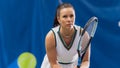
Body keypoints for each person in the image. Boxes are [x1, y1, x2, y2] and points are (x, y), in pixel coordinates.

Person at [41, 3, 90, 68]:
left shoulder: (84, 35)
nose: (69, 20)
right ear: (58, 19)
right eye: (65, 16)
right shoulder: (51, 36)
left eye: (71, 16)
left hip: (73, 65)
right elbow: (53, 64)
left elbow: (85, 61)